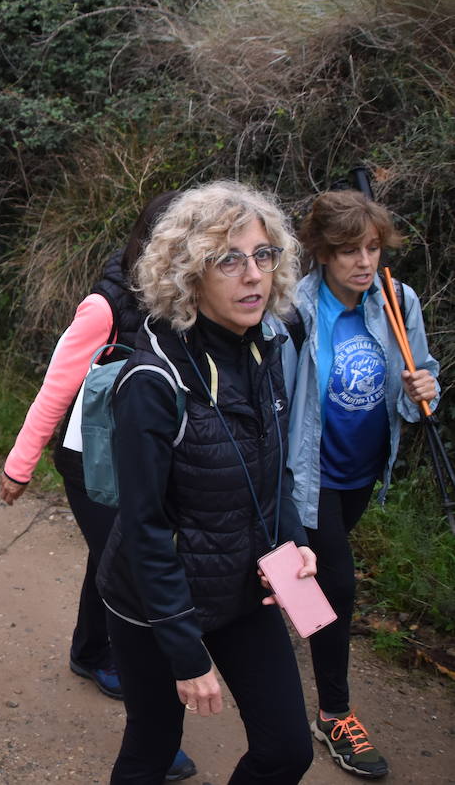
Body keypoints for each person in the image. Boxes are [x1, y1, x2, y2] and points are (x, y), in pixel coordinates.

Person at [97, 182, 314, 784]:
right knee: (154, 744)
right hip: (154, 602)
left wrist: (292, 539)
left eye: (263, 255)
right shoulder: (152, 382)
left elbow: (273, 474)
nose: (253, 275)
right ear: (190, 276)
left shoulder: (262, 349)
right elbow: (144, 531)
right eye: (229, 259)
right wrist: (185, 651)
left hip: (243, 586)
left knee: (287, 750)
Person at [0, 192, 197, 782]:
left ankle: (89, 652)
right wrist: (19, 464)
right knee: (138, 568)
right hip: (92, 467)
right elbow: (56, 386)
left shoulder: (191, 299)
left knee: (115, 559)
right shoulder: (106, 306)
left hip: (150, 463)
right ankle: (153, 733)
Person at [286, 190, 440, 780]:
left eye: (372, 248)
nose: (363, 261)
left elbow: (417, 379)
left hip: (361, 472)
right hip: (308, 473)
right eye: (349, 249)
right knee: (337, 585)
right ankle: (335, 713)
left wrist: (425, 390)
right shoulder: (295, 311)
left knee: (300, 577)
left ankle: (269, 621)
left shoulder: (398, 301)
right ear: (323, 253)